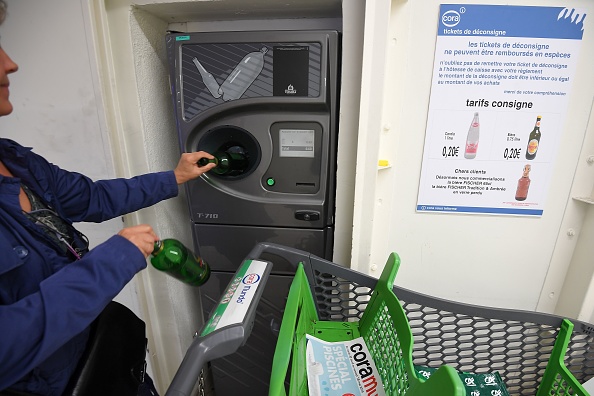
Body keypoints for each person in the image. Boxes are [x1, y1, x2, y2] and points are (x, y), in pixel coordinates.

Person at [0, 1, 216, 394]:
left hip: (105, 352)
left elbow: (92, 197)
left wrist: (174, 177)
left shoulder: (12, 158)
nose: (11, 63)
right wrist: (113, 260)